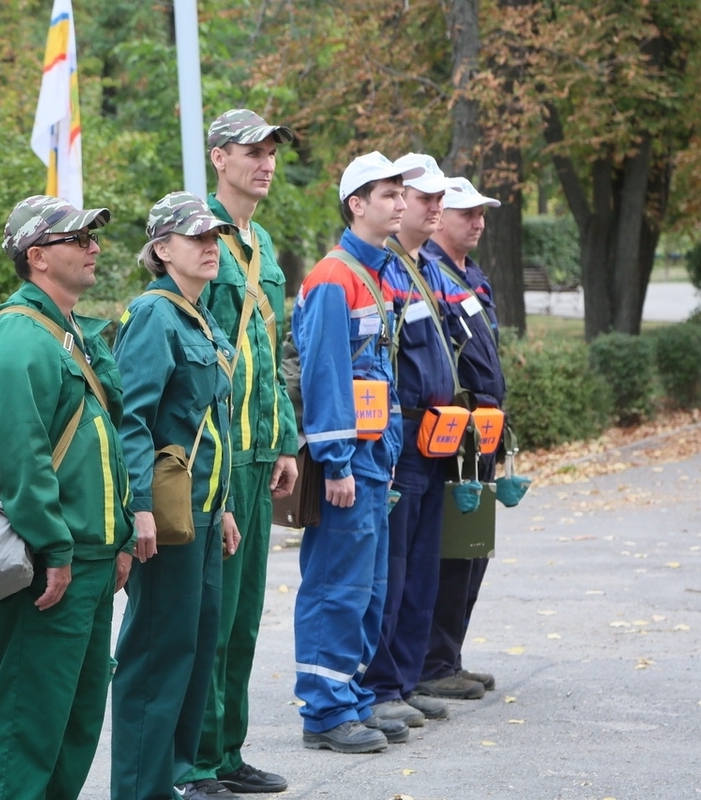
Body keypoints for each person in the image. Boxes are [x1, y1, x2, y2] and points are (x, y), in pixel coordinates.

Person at [0, 195, 134, 800]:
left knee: (76, 719)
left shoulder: (71, 335)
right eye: (78, 239)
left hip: (89, 555)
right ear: (37, 256)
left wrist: (115, 539)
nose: (94, 247)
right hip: (50, 560)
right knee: (29, 720)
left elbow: (104, 448)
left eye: (93, 236)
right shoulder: (18, 338)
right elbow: (20, 457)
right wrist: (55, 547)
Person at [292, 152, 420, 754]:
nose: (400, 202)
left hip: (375, 460)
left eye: (401, 193)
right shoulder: (332, 277)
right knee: (336, 588)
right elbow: (325, 376)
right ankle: (324, 712)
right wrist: (337, 461)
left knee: (368, 589)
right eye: (389, 193)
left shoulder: (379, 271)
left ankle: (353, 698)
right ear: (357, 205)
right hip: (349, 463)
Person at [111, 192, 236, 800]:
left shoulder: (199, 312)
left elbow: (209, 422)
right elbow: (132, 419)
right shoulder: (155, 315)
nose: (210, 246)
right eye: (196, 238)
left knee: (192, 650)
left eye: (215, 236)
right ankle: (140, 789)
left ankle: (177, 779)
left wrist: (227, 505)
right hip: (165, 516)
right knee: (156, 655)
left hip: (205, 513)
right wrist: (138, 507)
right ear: (162, 249)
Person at [192, 108, 299, 796]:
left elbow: (272, 350)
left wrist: (286, 437)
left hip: (262, 458)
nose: (264, 162)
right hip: (219, 464)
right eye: (250, 151)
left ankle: (229, 753)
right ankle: (197, 761)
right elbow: (194, 353)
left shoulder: (262, 245)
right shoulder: (196, 237)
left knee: (245, 620)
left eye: (270, 152)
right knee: (212, 620)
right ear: (217, 159)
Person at [363, 154, 465, 730]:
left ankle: (404, 678)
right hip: (397, 437)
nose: (428, 207)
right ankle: (381, 684)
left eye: (429, 198)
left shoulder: (416, 268)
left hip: (432, 438)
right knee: (392, 569)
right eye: (417, 197)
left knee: (420, 567)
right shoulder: (380, 269)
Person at [418, 178, 506, 700]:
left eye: (482, 214)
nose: (476, 221)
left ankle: (448, 656)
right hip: (454, 434)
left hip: (483, 435)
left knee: (473, 550)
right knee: (451, 553)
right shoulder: (432, 273)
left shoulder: (471, 275)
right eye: (465, 212)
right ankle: (433, 662)